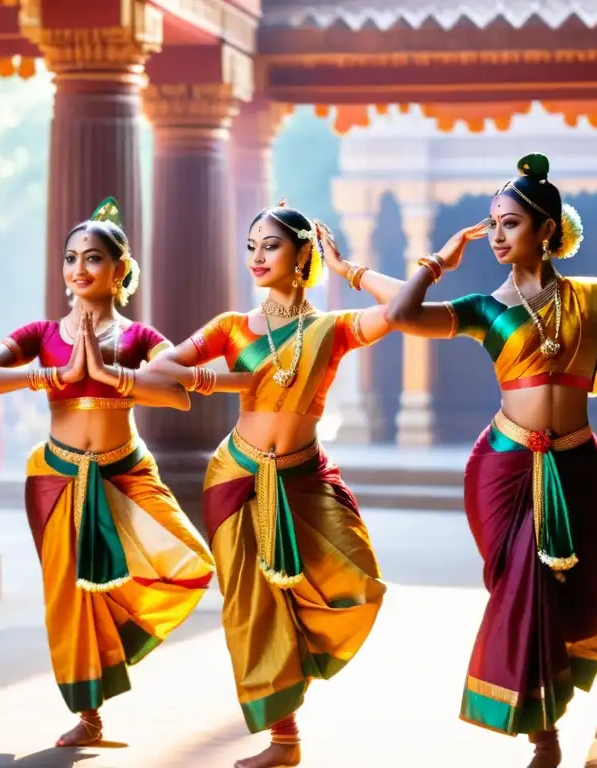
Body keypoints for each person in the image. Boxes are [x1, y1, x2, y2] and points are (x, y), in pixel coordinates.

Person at [373, 154, 597, 767]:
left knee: (578, 590)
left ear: (547, 230)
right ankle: (544, 736)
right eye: (492, 225)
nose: (497, 237)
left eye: (511, 225)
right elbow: (399, 316)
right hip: (504, 467)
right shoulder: (483, 308)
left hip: (577, 467)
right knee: (527, 589)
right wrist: (436, 264)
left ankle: (549, 720)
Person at [150, 200, 416, 768]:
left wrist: (350, 271)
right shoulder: (231, 327)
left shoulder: (331, 328)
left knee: (359, 585)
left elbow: (401, 308)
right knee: (253, 610)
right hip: (237, 475)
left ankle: (301, 670)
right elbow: (162, 367)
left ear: (302, 255)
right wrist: (223, 379)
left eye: (270, 246)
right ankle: (284, 740)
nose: (257, 257)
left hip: (302, 475)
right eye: (250, 247)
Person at [0, 198, 215, 748]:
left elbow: (179, 394)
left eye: (93, 258)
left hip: (126, 471)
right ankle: (89, 714)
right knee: (70, 597)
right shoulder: (41, 333)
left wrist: (111, 375)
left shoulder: (140, 338)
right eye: (70, 258)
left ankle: (115, 647)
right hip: (58, 475)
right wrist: (47, 374)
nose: (79, 269)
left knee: (191, 563)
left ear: (119, 270)